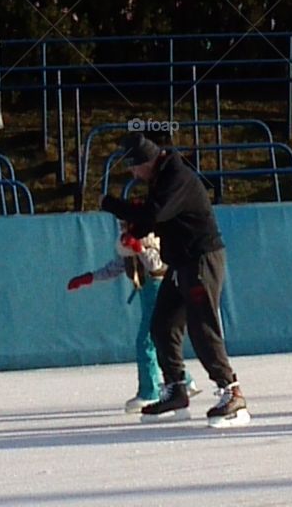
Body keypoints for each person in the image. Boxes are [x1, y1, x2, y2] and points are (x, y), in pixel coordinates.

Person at [100, 131, 250, 428]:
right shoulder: (161, 178)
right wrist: (134, 231)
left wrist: (114, 206)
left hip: (201, 260)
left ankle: (232, 393)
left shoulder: (176, 176)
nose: (132, 173)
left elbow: (154, 215)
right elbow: (152, 221)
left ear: (145, 162)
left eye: (133, 167)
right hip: (181, 263)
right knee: (163, 325)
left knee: (201, 325)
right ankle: (176, 390)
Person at [67, 222, 199, 413]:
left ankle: (150, 391)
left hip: (160, 290)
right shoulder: (127, 247)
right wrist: (89, 278)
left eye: (127, 224)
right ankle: (183, 380)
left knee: (146, 342)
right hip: (147, 292)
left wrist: (140, 247)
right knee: (158, 341)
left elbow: (156, 264)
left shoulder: (153, 239)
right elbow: (116, 267)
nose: (123, 229)